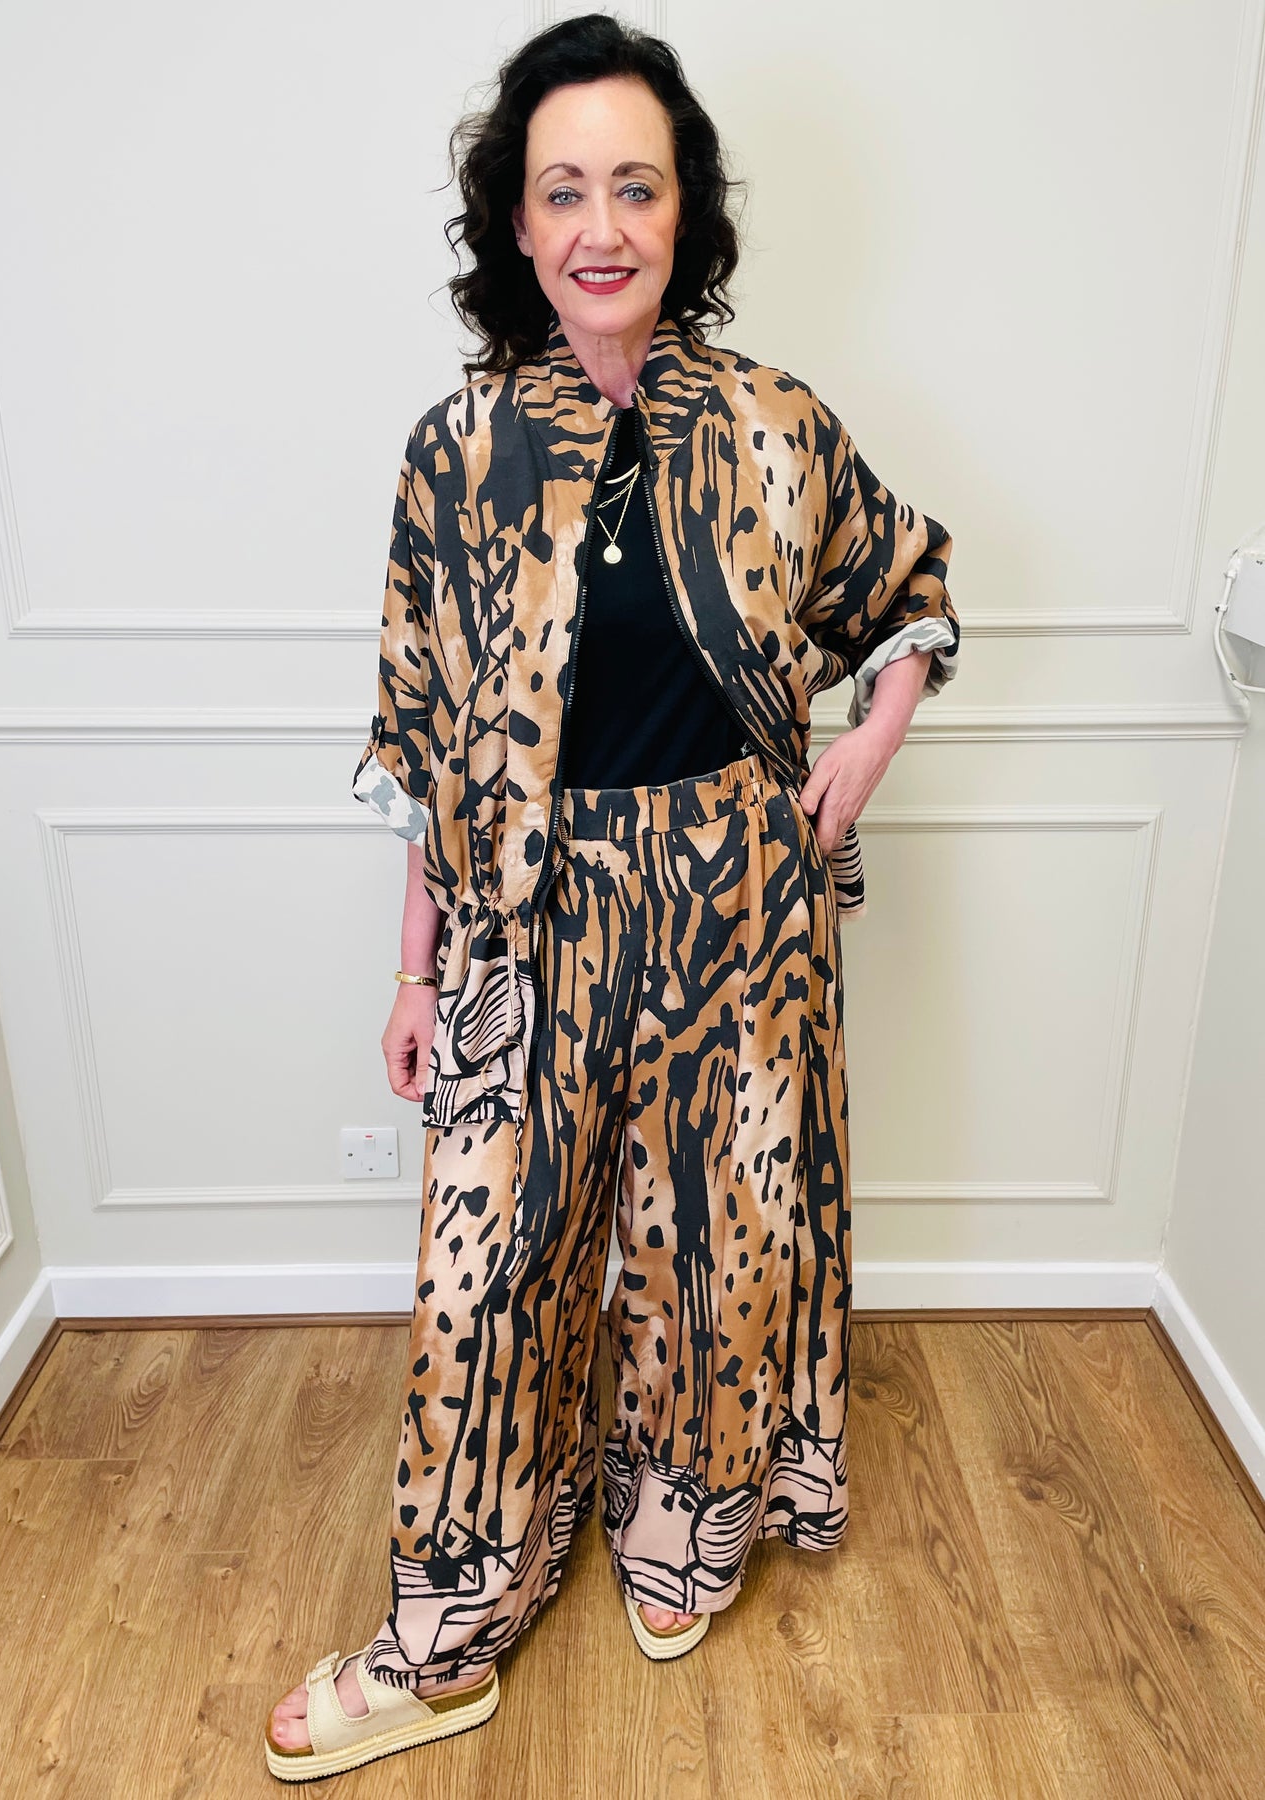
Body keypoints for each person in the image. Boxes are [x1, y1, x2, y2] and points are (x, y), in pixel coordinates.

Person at [265, 13, 959, 1782]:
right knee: (484, 1277)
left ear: (683, 212)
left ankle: (680, 1536)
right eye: (561, 189)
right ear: (514, 221)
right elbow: (421, 733)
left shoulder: (776, 423)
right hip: (528, 909)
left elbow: (908, 593)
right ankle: (446, 1636)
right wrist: (414, 973)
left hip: (737, 901)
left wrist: (867, 744)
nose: (600, 225)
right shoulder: (454, 450)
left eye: (634, 187)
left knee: (711, 1247)